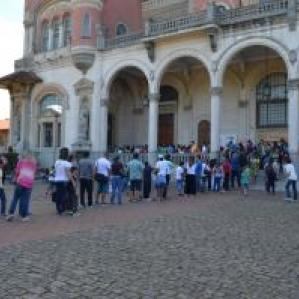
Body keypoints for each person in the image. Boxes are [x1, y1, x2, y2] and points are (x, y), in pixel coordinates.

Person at [7, 152, 37, 221]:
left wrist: (16, 178)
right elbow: (34, 173)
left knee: (15, 198)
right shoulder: (34, 164)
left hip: (20, 182)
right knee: (25, 200)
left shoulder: (21, 162)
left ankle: (11, 213)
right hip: (29, 184)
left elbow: (17, 172)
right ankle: (24, 216)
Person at [53, 148, 72, 215]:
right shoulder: (67, 163)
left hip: (57, 180)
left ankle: (59, 209)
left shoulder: (57, 162)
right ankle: (62, 210)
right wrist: (72, 180)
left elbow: (55, 170)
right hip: (64, 180)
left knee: (58, 195)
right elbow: (68, 173)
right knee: (64, 195)